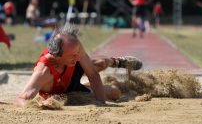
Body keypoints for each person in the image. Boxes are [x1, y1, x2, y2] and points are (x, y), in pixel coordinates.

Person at [14, 25, 143, 108]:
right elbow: (20, 99)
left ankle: (116, 61)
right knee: (115, 91)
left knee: (98, 65)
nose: (77, 57)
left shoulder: (74, 47)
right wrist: (38, 105)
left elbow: (92, 74)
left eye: (77, 53)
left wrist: (101, 104)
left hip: (70, 71)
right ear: (57, 55)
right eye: (72, 55)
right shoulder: (43, 71)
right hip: (66, 91)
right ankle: (86, 86)